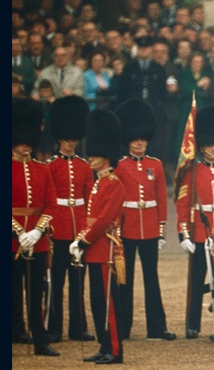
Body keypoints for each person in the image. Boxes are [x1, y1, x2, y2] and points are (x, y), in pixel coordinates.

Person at [114, 99, 176, 341]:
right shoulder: (120, 167)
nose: (139, 142)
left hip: (150, 228)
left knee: (152, 279)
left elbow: (161, 199)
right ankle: (123, 326)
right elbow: (117, 201)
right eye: (135, 138)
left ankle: (156, 327)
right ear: (128, 138)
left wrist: (161, 230)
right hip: (127, 227)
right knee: (124, 280)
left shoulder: (156, 165)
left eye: (143, 138)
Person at [69, 108, 125, 364]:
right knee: (96, 302)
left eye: (94, 155)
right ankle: (104, 346)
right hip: (93, 249)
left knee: (107, 303)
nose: (90, 158)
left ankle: (114, 349)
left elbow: (103, 220)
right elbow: (89, 218)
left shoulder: (114, 184)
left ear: (105, 157)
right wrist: (79, 240)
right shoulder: (98, 183)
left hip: (105, 250)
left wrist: (83, 240)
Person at [12, 99, 60, 356]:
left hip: (37, 239)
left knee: (36, 291)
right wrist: (19, 232)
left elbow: (51, 205)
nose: (24, 143)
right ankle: (15, 330)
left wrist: (37, 231)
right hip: (11, 240)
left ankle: (39, 337)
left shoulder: (42, 170)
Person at [45, 96, 95, 343]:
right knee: (56, 283)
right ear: (59, 139)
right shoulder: (50, 167)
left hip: (79, 231)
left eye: (74, 139)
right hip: (59, 229)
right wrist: (50, 228)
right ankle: (54, 328)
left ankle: (78, 328)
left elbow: (89, 200)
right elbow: (50, 201)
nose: (71, 143)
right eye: (67, 140)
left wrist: (86, 230)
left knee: (77, 283)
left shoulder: (85, 167)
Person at [174, 105, 214, 339]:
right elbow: (183, 205)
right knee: (196, 281)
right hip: (200, 234)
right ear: (202, 146)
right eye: (208, 145)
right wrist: (184, 234)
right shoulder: (192, 171)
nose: (212, 149)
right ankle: (193, 324)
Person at [116, 37, 167, 116]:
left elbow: (162, 91)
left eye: (146, 48)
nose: (143, 51)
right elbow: (123, 89)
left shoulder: (158, 68)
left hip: (153, 109)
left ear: (151, 49)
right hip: (133, 109)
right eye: (140, 48)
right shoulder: (129, 67)